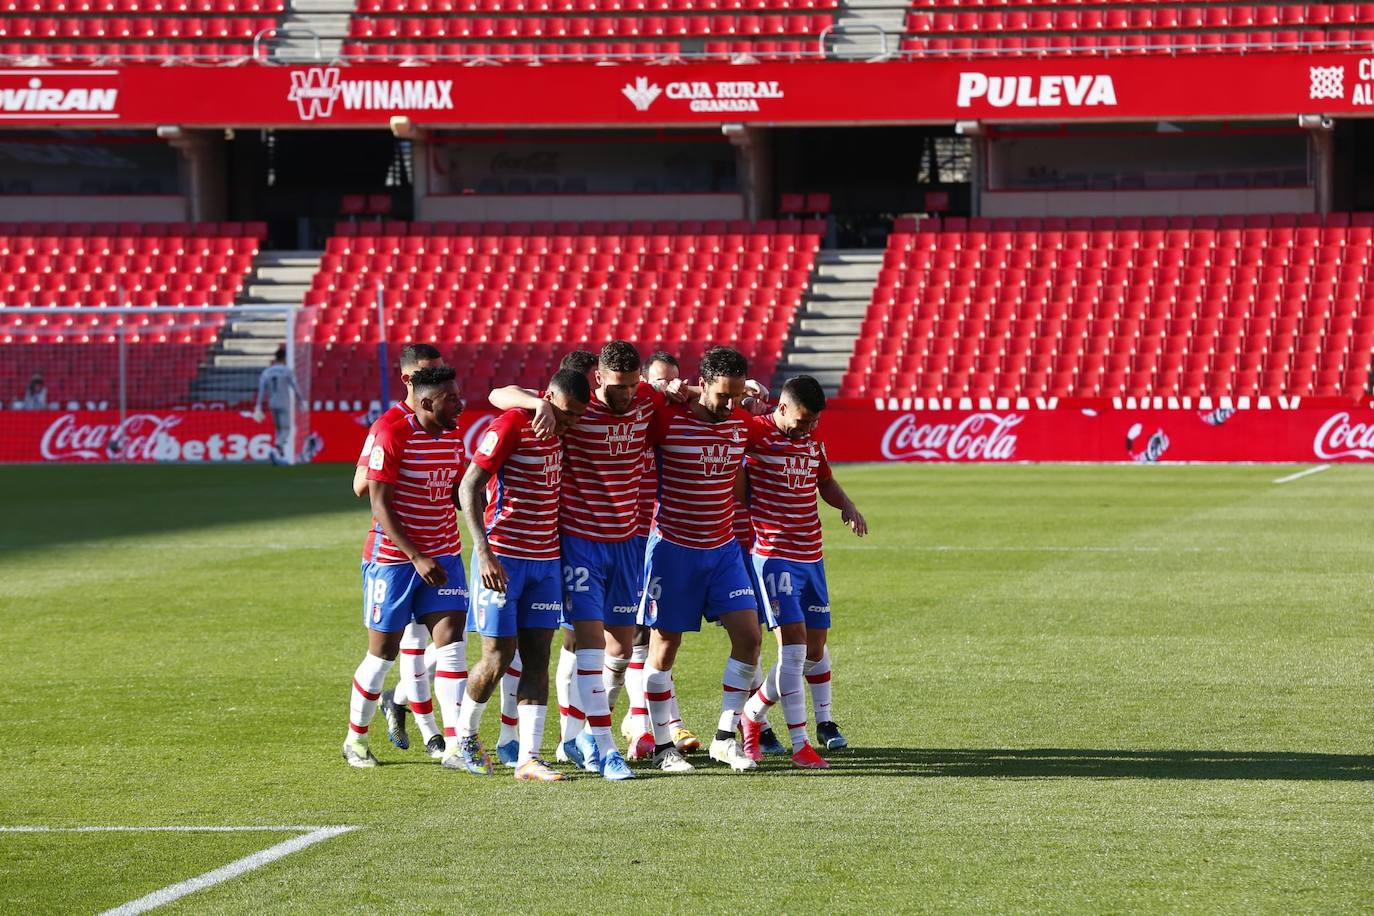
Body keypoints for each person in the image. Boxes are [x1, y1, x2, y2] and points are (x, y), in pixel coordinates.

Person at [451, 368, 592, 781]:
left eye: (577, 417)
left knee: (537, 659)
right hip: (503, 559)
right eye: (566, 414)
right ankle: (465, 740)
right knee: (497, 657)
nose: (571, 424)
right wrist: (484, 552)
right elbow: (468, 486)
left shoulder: (564, 427)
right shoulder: (513, 422)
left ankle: (529, 757)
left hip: (546, 562)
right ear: (547, 397)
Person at [640, 346, 761, 773]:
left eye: (737, 396)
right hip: (674, 550)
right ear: (702, 384)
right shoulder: (668, 419)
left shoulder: (741, 424)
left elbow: (779, 427)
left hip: (724, 550)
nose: (730, 405)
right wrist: (673, 389)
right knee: (664, 648)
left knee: (749, 637)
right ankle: (661, 746)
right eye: (723, 395)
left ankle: (725, 739)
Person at [343, 366, 469, 768]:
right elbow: (378, 504)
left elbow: (456, 491)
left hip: (445, 554)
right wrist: (416, 556)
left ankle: (454, 746)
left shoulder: (453, 435)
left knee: (451, 648)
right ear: (428, 401)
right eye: (453, 399)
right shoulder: (392, 433)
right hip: (395, 561)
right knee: (382, 655)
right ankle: (356, 741)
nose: (461, 405)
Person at [738, 375, 868, 766]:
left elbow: (824, 481)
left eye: (813, 422)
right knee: (792, 648)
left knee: (813, 651)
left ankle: (752, 714)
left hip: (812, 556)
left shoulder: (812, 442)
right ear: (781, 407)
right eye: (802, 420)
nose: (807, 427)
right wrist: (745, 399)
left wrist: (847, 505)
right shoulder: (756, 432)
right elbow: (721, 426)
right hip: (774, 554)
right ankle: (800, 745)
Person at [253, 345, 306, 464]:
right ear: (284, 358)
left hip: (272, 403)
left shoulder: (267, 372)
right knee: (286, 429)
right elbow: (294, 386)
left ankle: (279, 455)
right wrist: (301, 400)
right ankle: (276, 447)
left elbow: (261, 389)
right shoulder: (286, 370)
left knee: (278, 429)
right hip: (284, 402)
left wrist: (258, 406)